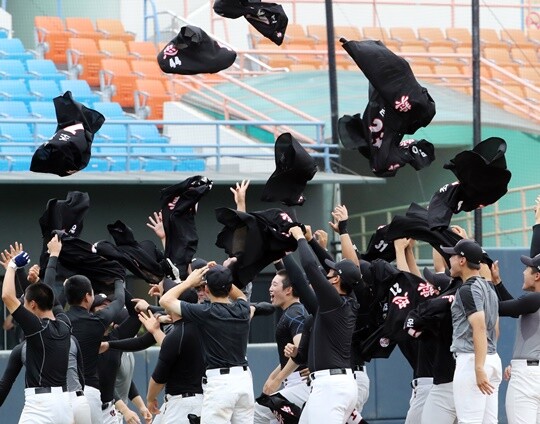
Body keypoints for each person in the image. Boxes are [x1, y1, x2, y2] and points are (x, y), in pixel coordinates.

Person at [159, 264, 254, 424]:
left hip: (220, 384)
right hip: (244, 380)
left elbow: (165, 300)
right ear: (229, 286)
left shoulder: (205, 312)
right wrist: (220, 272)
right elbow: (239, 296)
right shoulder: (242, 309)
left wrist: (189, 282)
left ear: (207, 289)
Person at [288, 225, 360, 424]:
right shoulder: (347, 300)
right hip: (332, 383)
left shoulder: (334, 302)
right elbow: (325, 268)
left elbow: (311, 268)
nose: (326, 273)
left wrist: (300, 238)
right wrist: (312, 242)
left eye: (330, 272)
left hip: (331, 385)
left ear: (336, 279)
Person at [1, 246, 74, 424]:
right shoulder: (65, 322)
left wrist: (12, 266)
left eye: (24, 301)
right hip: (65, 405)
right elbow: (50, 298)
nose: (22, 304)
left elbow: (7, 297)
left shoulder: (36, 327)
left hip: (41, 405)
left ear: (33, 305)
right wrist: (37, 281)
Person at [441, 239, 501, 424]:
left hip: (473, 360)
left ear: (462, 260)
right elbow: (495, 330)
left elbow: (480, 327)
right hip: (491, 358)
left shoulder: (468, 289)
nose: (449, 259)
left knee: (469, 421)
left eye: (452, 256)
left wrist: (478, 367)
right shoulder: (489, 288)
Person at [64, 269, 126, 423]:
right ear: (87, 297)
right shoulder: (97, 321)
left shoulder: (60, 319)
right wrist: (118, 278)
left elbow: (52, 302)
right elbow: (119, 301)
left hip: (63, 393)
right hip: (89, 392)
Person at [254, 269, 310, 423]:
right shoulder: (292, 312)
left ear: (288, 290)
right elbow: (292, 355)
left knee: (257, 413)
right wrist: (273, 376)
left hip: (302, 383)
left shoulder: (295, 313)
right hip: (294, 382)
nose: (270, 288)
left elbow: (300, 353)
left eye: (275, 284)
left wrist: (278, 379)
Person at [146, 287, 205, 424]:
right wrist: (155, 331)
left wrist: (150, 398)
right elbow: (173, 347)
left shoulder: (179, 333)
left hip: (183, 405)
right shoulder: (201, 325)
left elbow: (158, 378)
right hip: (195, 400)